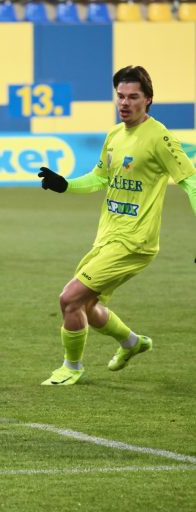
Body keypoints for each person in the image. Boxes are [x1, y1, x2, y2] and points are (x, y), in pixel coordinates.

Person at [37, 65, 196, 386]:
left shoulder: (160, 138)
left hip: (135, 242)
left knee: (69, 298)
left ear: (148, 100)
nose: (124, 103)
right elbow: (99, 178)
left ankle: (72, 367)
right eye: (120, 96)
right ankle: (132, 343)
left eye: (133, 97)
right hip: (108, 237)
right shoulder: (114, 135)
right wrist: (65, 185)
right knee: (87, 305)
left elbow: (191, 183)